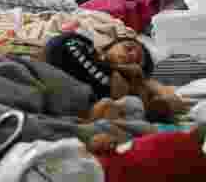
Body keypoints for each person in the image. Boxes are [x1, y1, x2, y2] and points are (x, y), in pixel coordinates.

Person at [43, 33, 190, 121]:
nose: (132, 55)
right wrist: (117, 69)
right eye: (129, 48)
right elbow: (56, 47)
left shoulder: (123, 92)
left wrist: (142, 85)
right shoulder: (78, 42)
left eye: (136, 60)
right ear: (109, 45)